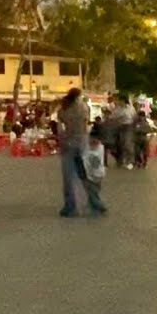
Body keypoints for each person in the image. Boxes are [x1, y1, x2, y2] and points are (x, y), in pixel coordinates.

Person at [57, 88, 107, 217]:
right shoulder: (84, 107)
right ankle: (96, 202)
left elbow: (60, 125)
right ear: (78, 96)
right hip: (82, 144)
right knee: (87, 175)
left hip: (68, 145)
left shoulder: (64, 108)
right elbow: (86, 124)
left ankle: (70, 206)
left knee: (68, 178)